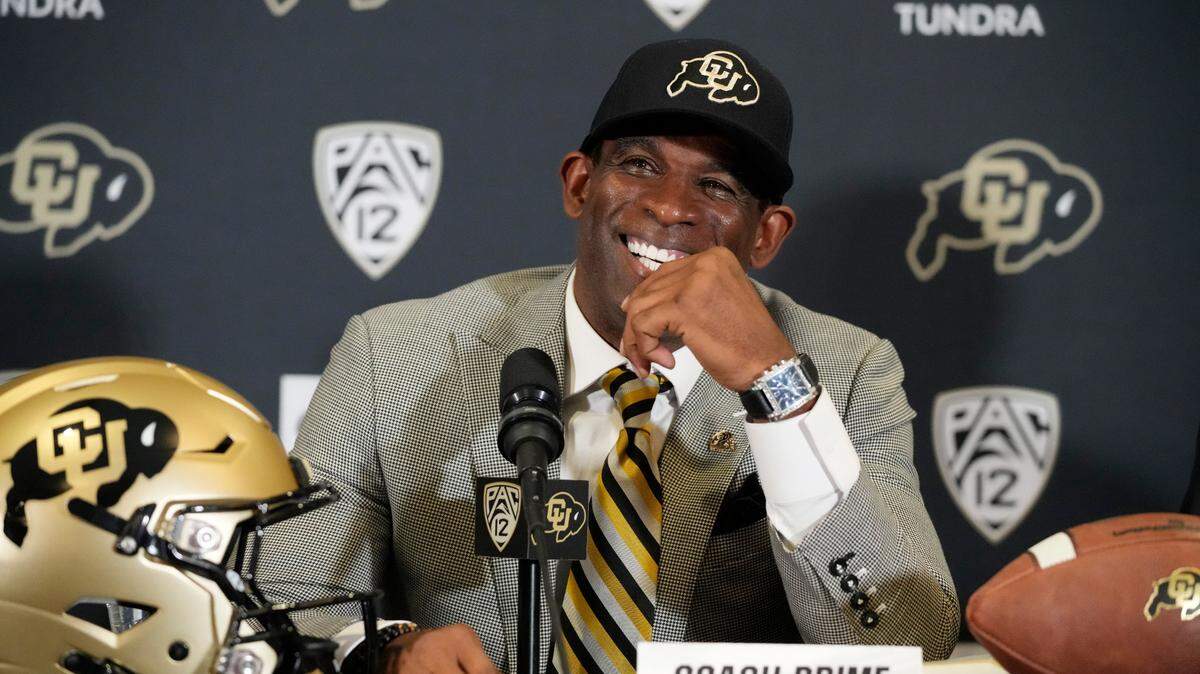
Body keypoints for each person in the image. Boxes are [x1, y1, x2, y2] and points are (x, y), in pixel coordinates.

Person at [260, 38, 959, 674]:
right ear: (578, 185)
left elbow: (909, 640)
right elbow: (281, 602)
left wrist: (773, 387)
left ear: (767, 235)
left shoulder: (845, 371)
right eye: (639, 165)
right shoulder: (397, 355)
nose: (670, 207)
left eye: (716, 187)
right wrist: (383, 653)